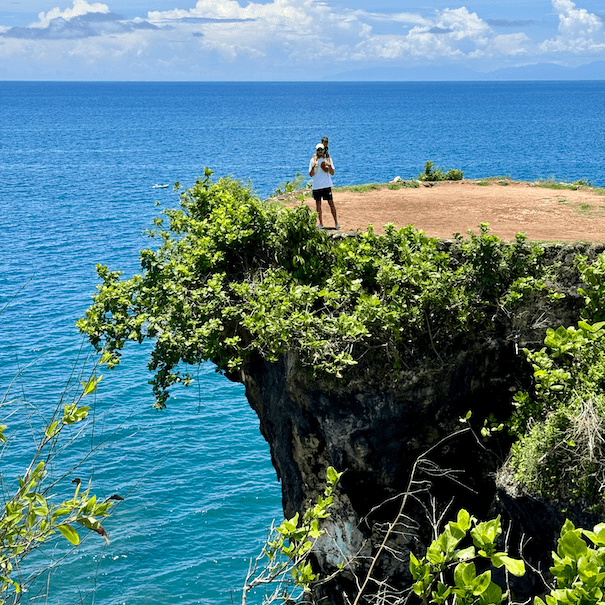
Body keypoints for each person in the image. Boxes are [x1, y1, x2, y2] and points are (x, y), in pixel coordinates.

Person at [309, 142, 339, 230]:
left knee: (331, 203)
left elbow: (332, 173)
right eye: (318, 150)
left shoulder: (328, 160)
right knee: (318, 205)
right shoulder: (312, 161)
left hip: (326, 185)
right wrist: (313, 167)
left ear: (323, 150)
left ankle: (336, 223)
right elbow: (311, 174)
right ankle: (321, 223)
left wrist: (329, 166)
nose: (320, 151)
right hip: (316, 186)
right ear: (316, 150)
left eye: (321, 149)